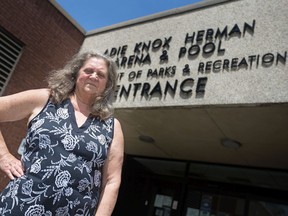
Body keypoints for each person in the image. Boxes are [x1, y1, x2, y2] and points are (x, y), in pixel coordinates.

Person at [0, 51, 124, 215]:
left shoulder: (111, 126)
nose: (94, 76)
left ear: (107, 84)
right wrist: (3, 156)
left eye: (101, 74)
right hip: (21, 205)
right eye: (88, 70)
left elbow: (111, 181)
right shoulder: (45, 99)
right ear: (76, 73)